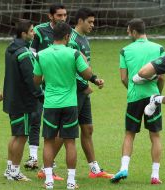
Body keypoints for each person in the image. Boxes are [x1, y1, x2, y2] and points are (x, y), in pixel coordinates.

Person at [33, 22, 95, 189]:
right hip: (70, 103)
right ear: (67, 36)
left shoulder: (41, 55)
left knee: (48, 141)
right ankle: (71, 181)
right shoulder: (73, 53)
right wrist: (83, 59)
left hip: (51, 103)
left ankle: (48, 180)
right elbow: (87, 74)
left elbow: (36, 80)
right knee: (70, 142)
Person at [110, 18, 165, 185]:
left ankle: (123, 168)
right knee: (155, 135)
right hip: (153, 97)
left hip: (134, 98)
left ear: (134, 32)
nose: (128, 34)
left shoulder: (125, 51)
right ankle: (155, 175)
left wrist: (132, 90)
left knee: (129, 134)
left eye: (128, 32)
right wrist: (157, 94)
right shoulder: (159, 48)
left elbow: (123, 78)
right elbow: (162, 77)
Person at [68, 7, 112, 179]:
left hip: (84, 89)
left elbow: (84, 66)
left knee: (88, 128)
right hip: (75, 90)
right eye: (90, 22)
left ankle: (94, 169)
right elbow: (70, 68)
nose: (93, 25)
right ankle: (47, 168)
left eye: (94, 22)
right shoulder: (71, 39)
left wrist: (93, 79)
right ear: (80, 21)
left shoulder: (84, 38)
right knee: (66, 130)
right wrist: (83, 85)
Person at [27, 3, 67, 181]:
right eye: (59, 15)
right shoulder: (40, 30)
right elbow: (31, 51)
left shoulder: (67, 31)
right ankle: (33, 156)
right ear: (50, 16)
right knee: (36, 117)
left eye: (64, 15)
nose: (63, 18)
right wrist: (43, 64)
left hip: (58, 83)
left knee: (56, 125)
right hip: (40, 79)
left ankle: (48, 163)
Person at [3, 19, 43, 181]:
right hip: (23, 102)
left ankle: (9, 169)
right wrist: (41, 95)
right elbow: (31, 79)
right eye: (32, 31)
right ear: (23, 33)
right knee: (21, 136)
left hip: (12, 100)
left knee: (16, 135)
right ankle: (15, 172)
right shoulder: (24, 53)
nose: (34, 34)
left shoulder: (10, 50)